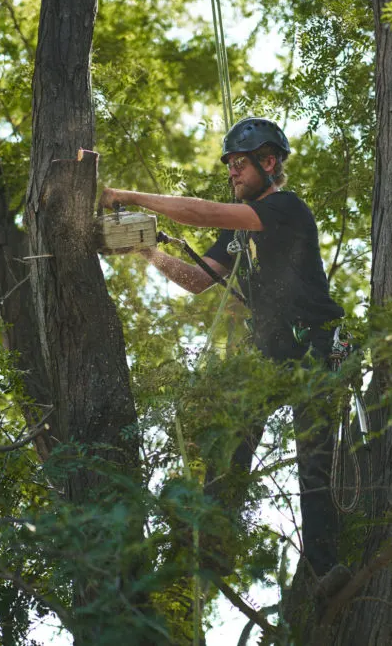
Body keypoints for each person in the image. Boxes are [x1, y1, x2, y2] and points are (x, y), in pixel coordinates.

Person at [100, 117, 345, 581]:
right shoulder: (240, 231)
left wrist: (129, 197)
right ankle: (212, 544)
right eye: (229, 164)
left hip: (315, 346)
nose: (232, 172)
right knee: (230, 439)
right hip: (271, 354)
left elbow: (202, 212)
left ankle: (323, 568)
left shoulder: (285, 208)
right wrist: (145, 249)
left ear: (269, 162)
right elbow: (197, 279)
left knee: (314, 465)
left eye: (240, 164)